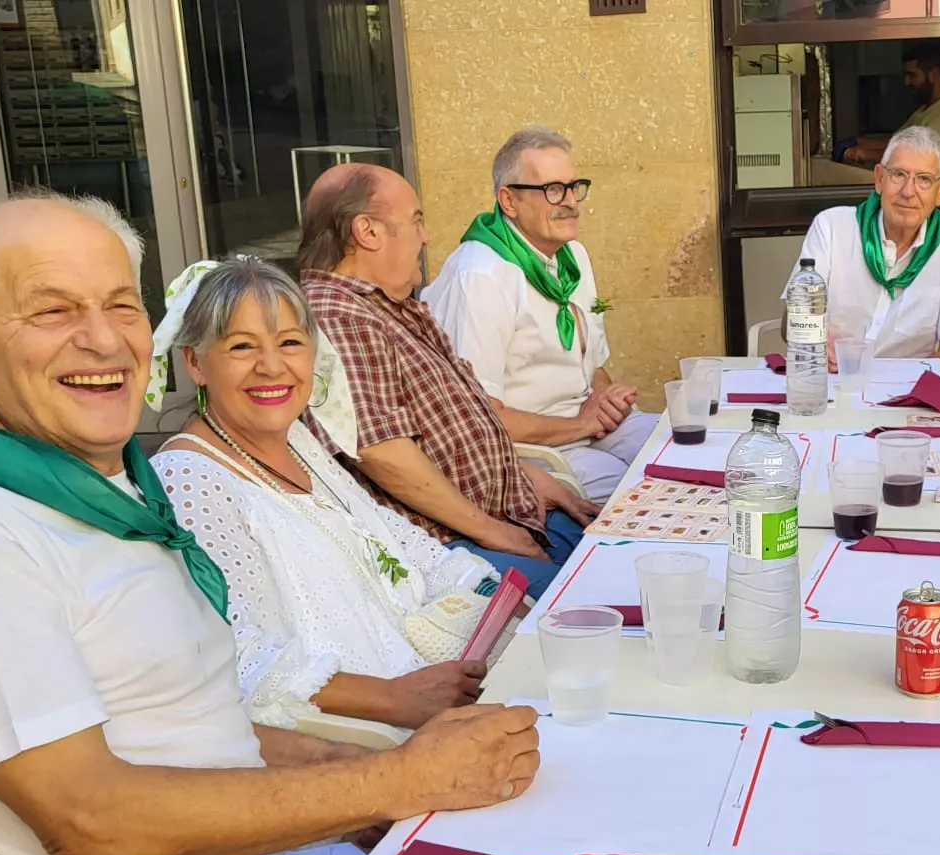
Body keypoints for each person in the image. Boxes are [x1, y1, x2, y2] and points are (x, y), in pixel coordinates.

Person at [0, 194, 539, 855]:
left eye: (120, 304)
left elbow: (196, 726)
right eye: (53, 310)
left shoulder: (108, 496)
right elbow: (91, 824)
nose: (104, 340)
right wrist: (391, 781)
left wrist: (358, 791)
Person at [149, 256, 499, 732]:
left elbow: (399, 540)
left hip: (437, 690)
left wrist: (488, 593)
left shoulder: (298, 441)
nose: (272, 366)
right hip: (361, 740)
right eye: (241, 346)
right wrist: (394, 698)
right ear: (195, 362)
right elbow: (228, 650)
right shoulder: (187, 479)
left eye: (290, 342)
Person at [297, 163, 598, 597]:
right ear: (368, 231)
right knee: (589, 606)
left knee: (629, 559)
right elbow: (381, 451)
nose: (425, 237)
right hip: (449, 546)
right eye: (416, 220)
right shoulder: (338, 315)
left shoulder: (389, 304)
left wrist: (523, 475)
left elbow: (462, 422)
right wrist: (495, 532)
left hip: (512, 510)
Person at [422, 128, 656, 502]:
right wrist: (582, 423)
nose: (570, 202)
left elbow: (593, 366)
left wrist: (604, 402)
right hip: (527, 451)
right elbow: (480, 417)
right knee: (640, 496)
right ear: (509, 201)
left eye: (573, 186)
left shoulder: (572, 255)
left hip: (586, 425)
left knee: (686, 451)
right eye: (552, 190)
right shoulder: (481, 275)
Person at [794, 125, 940, 360]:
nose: (908, 191)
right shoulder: (831, 227)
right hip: (834, 379)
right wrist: (812, 338)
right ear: (879, 179)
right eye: (898, 174)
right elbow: (791, 323)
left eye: (924, 180)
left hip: (908, 388)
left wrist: (914, 393)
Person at [833, 43, 940, 181]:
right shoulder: (924, 111)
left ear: (934, 75)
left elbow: (919, 155)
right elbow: (895, 143)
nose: (906, 82)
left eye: (912, 75)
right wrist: (856, 142)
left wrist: (864, 154)